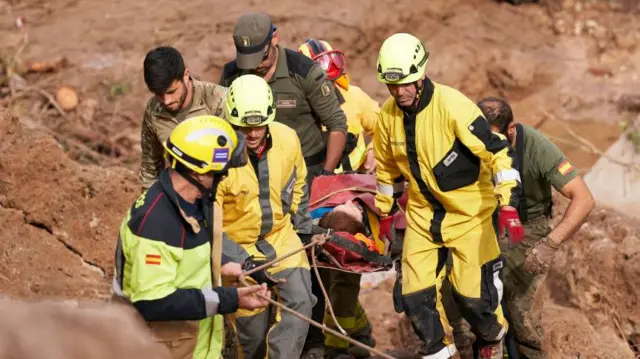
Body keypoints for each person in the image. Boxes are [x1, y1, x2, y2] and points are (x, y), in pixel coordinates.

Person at [373, 33, 525, 359]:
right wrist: (385, 213)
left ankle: (490, 342)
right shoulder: (387, 117)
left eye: (406, 84)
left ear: (421, 74)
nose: (399, 92)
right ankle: (439, 353)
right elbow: (386, 171)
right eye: (391, 85)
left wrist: (509, 204)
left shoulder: (453, 106)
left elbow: (497, 154)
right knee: (415, 298)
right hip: (423, 217)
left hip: (470, 216)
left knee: (472, 299)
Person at [112, 115, 272, 359]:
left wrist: (225, 266)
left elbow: (186, 262)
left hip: (196, 344)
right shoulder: (155, 224)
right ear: (199, 173)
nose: (225, 177)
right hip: (159, 347)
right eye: (221, 172)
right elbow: (153, 301)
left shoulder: (195, 203)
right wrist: (228, 299)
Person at [477, 97, 595, 359]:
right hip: (483, 221)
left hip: (527, 225)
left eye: (496, 139)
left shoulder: (536, 147)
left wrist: (549, 245)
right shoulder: (471, 140)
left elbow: (584, 199)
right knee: (475, 311)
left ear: (511, 129)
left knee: (523, 318)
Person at [215, 74, 316, 359]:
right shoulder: (218, 156)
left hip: (281, 239)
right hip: (237, 249)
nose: (253, 133)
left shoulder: (288, 140)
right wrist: (238, 260)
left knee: (301, 302)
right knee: (252, 331)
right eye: (245, 127)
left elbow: (298, 184)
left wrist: (304, 225)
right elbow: (211, 224)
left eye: (259, 125)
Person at [219, 12, 348, 182]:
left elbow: (337, 123)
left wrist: (327, 175)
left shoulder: (305, 72)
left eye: (259, 57)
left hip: (304, 169)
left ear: (274, 38)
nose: (255, 65)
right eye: (247, 59)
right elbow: (224, 122)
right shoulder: (232, 74)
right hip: (251, 170)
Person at [139, 46, 228, 189]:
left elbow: (240, 160)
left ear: (186, 76)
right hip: (182, 191)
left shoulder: (217, 101)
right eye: (159, 94)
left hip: (222, 189)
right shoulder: (154, 110)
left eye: (172, 91)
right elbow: (150, 168)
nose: (166, 101)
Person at [298, 38, 379, 174]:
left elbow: (387, 127)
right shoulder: (295, 109)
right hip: (313, 183)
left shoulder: (354, 96)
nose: (328, 90)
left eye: (332, 82)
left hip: (355, 181)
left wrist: (375, 149)